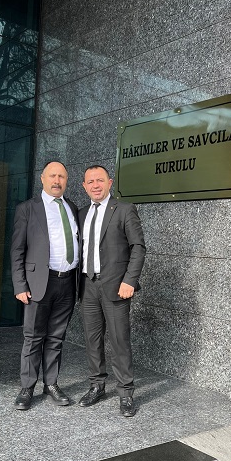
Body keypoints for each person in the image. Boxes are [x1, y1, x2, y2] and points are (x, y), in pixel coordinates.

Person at [78, 165, 146, 417]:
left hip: (117, 286)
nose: (95, 185)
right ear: (84, 186)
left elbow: (138, 247)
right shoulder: (82, 213)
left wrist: (130, 280)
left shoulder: (124, 210)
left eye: (100, 180)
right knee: (92, 339)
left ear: (110, 182)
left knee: (119, 340)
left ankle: (125, 393)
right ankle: (97, 386)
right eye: (90, 182)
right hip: (87, 285)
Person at [11, 161, 79, 410]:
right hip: (38, 282)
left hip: (67, 282)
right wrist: (20, 284)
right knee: (33, 337)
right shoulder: (27, 209)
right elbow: (17, 250)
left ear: (66, 180)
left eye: (61, 176)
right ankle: (27, 387)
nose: (57, 181)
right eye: (52, 176)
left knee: (56, 337)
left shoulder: (71, 207)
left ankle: (51, 384)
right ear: (42, 178)